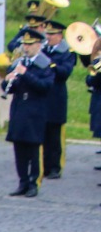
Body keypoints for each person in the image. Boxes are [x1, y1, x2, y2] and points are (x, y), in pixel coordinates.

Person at [4, 28, 54, 198]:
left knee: (33, 150)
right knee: (19, 150)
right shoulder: (20, 62)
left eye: (30, 44)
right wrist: (8, 80)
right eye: (24, 44)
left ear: (39, 45)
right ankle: (22, 182)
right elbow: (10, 89)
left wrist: (25, 75)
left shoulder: (45, 64)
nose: (26, 47)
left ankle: (34, 183)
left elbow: (44, 87)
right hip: (19, 110)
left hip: (35, 112)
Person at [41, 20, 76, 180]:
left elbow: (65, 73)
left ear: (60, 35)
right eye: (47, 33)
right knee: (43, 134)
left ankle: (55, 167)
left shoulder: (66, 52)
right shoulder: (43, 49)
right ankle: (45, 166)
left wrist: (51, 64)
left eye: (52, 34)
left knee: (55, 135)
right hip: (43, 95)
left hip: (56, 96)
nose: (48, 37)